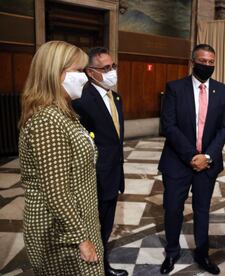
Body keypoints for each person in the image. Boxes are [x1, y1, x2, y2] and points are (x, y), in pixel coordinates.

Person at [19, 41, 104, 275]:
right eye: (78, 71)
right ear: (55, 73)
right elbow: (56, 192)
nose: (85, 78)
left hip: (77, 223)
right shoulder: (47, 120)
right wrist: (82, 239)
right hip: (61, 234)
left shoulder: (63, 113)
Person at [158, 44, 225, 275]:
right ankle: (171, 252)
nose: (207, 65)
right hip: (178, 162)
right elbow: (168, 126)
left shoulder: (222, 90)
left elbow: (224, 128)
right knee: (172, 208)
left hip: (207, 164)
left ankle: (202, 253)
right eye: (203, 61)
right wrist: (192, 156)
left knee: (202, 210)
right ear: (192, 62)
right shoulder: (174, 88)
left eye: (211, 62)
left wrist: (207, 156)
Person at [72, 47, 127, 276]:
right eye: (106, 68)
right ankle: (95, 269)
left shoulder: (115, 97)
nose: (112, 72)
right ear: (91, 71)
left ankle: (103, 266)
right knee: (93, 229)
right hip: (93, 177)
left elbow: (115, 141)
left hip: (113, 175)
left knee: (106, 226)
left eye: (113, 66)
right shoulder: (81, 100)